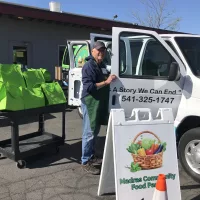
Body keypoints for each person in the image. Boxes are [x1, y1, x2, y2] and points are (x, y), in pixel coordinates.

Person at [81, 41, 116, 175]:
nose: (101, 52)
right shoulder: (89, 66)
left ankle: (91, 155)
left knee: (94, 131)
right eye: (99, 50)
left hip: (97, 102)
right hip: (90, 102)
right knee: (89, 132)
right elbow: (89, 87)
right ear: (92, 51)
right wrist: (106, 82)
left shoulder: (100, 65)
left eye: (103, 50)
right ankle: (85, 161)